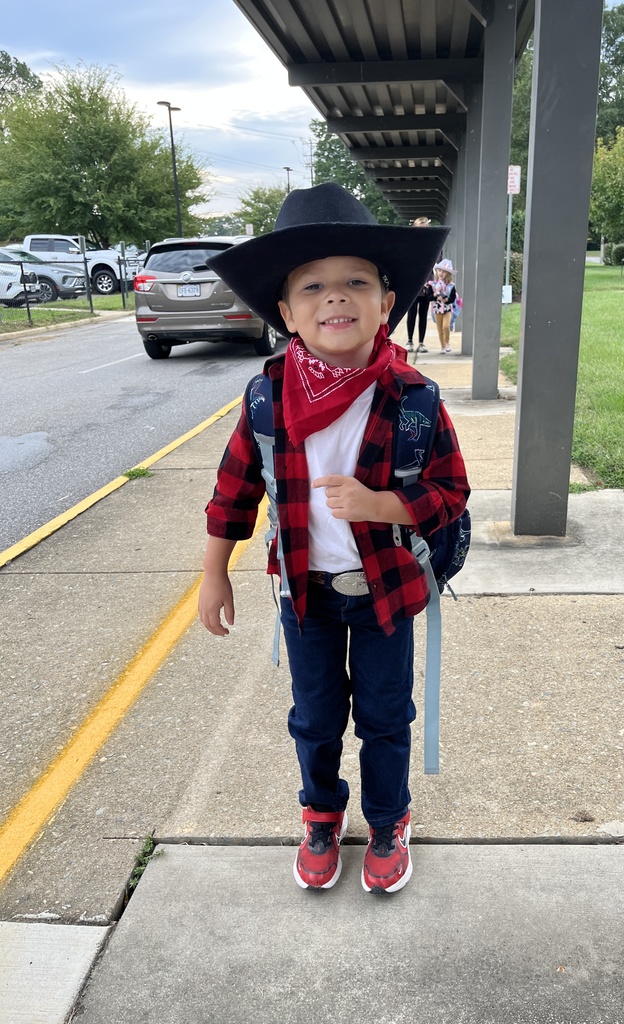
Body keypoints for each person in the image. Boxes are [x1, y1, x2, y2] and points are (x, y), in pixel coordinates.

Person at [198, 183, 470, 895]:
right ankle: (321, 813)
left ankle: (386, 820)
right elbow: (234, 492)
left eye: (356, 282)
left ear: (387, 303)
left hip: (386, 592)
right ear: (287, 313)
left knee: (385, 716)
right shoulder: (266, 399)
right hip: (305, 594)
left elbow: (450, 493)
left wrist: (381, 504)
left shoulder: (413, 399)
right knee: (315, 718)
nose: (336, 297)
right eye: (313, 286)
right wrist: (214, 572)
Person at [405, 217, 433, 354]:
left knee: (423, 314)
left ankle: (421, 342)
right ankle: (409, 340)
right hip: (413, 286)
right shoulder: (410, 245)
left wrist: (431, 282)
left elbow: (436, 265)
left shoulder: (433, 245)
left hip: (427, 286)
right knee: (411, 314)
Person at [429, 258, 457, 353]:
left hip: (447, 309)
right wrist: (435, 294)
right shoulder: (433, 285)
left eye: (444, 272)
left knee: (445, 326)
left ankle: (447, 342)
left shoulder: (451, 286)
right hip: (437, 310)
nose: (441, 273)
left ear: (448, 274)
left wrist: (446, 299)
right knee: (440, 329)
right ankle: (443, 346)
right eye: (439, 270)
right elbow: (428, 298)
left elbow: (453, 298)